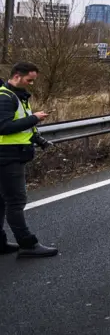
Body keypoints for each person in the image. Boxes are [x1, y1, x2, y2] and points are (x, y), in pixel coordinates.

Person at [0, 62, 56, 257]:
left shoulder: (17, 96)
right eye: (29, 80)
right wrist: (34, 118)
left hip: (11, 154)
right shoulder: (5, 97)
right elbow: (3, 127)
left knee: (2, 200)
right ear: (17, 76)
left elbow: (21, 127)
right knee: (16, 201)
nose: (31, 84)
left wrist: (38, 140)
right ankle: (27, 245)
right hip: (7, 157)